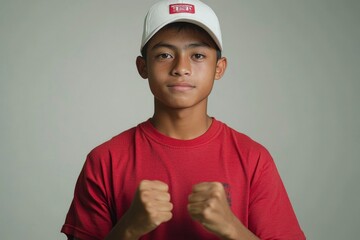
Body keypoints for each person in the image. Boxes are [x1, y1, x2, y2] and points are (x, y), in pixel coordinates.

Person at [61, 0, 306, 239]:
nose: (181, 67)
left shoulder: (253, 159)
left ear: (219, 68)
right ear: (142, 67)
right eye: (165, 55)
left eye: (198, 55)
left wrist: (233, 229)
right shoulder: (105, 161)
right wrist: (128, 229)